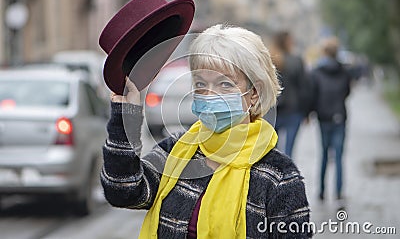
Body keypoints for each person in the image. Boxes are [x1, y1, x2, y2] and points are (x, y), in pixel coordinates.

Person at [101, 24, 312, 238]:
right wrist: (126, 114)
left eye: (225, 84)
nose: (210, 95)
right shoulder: (175, 151)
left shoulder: (280, 177)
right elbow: (123, 191)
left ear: (254, 92)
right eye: (201, 84)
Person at [310, 36, 352, 207]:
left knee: (324, 155)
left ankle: (321, 191)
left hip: (323, 117)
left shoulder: (316, 72)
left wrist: (311, 111)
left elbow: (313, 94)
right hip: (340, 116)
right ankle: (339, 192)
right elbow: (347, 92)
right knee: (340, 156)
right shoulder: (344, 71)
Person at [271, 31, 312, 158]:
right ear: (287, 42)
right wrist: (306, 112)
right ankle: (288, 176)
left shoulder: (270, 60)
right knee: (289, 152)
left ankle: (274, 176)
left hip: (273, 110)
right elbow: (304, 88)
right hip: (293, 110)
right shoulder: (296, 61)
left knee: (272, 151)